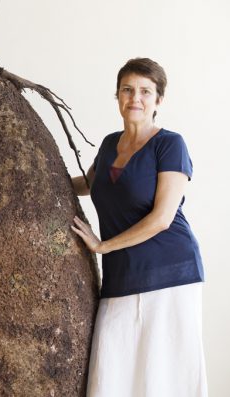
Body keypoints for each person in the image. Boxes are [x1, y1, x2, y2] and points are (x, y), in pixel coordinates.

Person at [70, 58, 207, 396]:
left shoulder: (170, 144)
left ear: (158, 100)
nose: (135, 98)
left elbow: (162, 218)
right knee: (111, 374)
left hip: (170, 272)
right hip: (120, 276)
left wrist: (102, 245)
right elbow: (87, 183)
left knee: (165, 376)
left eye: (146, 91)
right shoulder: (107, 145)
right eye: (128, 89)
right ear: (117, 96)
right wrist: (35, 174)